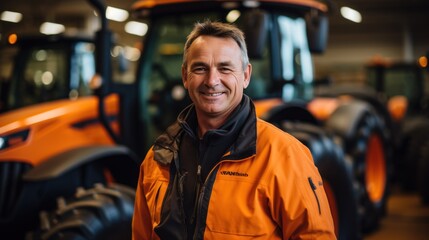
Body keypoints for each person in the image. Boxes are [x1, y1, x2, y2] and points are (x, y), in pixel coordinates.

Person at [132, 20, 336, 240]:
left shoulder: (285, 156)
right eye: (200, 68)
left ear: (246, 75)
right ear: (185, 76)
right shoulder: (158, 158)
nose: (212, 81)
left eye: (225, 68)